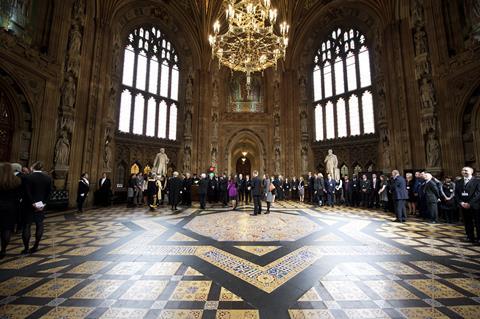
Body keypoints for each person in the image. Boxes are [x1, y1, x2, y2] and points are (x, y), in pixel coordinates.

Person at [22, 161, 52, 254]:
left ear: (33, 167)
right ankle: (35, 246)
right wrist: (44, 204)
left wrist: (32, 203)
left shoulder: (27, 177)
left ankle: (26, 248)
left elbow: (27, 192)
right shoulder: (48, 178)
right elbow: (49, 193)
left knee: (27, 226)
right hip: (41, 205)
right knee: (39, 224)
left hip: (28, 205)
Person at [0, 163, 22, 259]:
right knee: (7, 229)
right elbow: (19, 197)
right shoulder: (17, 181)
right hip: (10, 208)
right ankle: (3, 250)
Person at [455, 167, 480, 243]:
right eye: (462, 170)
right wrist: (461, 203)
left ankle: (479, 238)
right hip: (463, 206)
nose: (464, 171)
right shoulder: (459, 182)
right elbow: (456, 194)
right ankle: (470, 236)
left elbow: (478, 194)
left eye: (466, 170)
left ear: (471, 172)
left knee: (478, 222)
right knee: (467, 222)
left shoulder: (477, 181)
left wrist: (470, 203)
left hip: (475, 205)